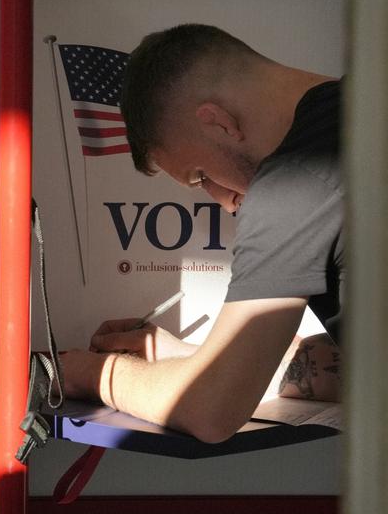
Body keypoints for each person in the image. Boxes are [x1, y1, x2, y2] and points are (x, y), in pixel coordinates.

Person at [60, 24, 344, 444]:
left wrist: (78, 372)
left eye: (200, 176)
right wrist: (191, 359)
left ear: (219, 122)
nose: (225, 202)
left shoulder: (292, 181)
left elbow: (209, 412)